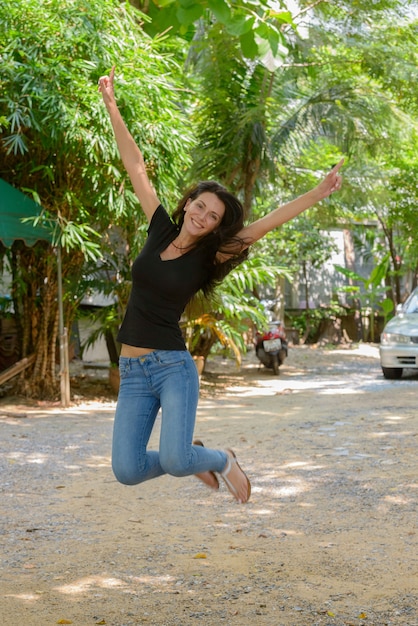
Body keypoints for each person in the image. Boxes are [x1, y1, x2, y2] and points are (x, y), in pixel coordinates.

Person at [98, 67, 343, 505]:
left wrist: (318, 192)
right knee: (127, 470)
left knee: (174, 460)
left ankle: (220, 459)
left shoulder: (210, 256)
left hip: (172, 367)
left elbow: (266, 224)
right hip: (133, 372)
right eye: (201, 206)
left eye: (213, 216)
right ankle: (198, 456)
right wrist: (112, 106)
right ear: (189, 202)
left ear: (215, 227)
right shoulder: (159, 229)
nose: (203, 216)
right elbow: (135, 166)